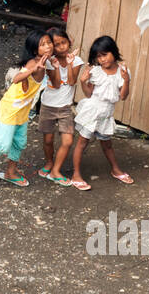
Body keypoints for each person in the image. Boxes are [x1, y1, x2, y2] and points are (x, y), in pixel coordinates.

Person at [0, 30, 53, 192]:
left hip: (22, 112)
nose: (48, 46)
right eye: (43, 44)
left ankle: (11, 171)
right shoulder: (33, 64)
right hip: (9, 110)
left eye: (49, 42)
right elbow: (16, 79)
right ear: (35, 50)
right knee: (1, 144)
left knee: (19, 142)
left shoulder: (47, 62)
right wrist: (32, 69)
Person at [70, 35, 133, 191]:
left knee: (107, 144)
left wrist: (126, 81)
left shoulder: (123, 72)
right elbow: (89, 94)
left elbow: (123, 96)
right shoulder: (96, 71)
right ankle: (76, 175)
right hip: (92, 111)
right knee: (82, 143)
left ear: (113, 52)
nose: (102, 59)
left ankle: (115, 170)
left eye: (105, 54)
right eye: (98, 57)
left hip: (106, 114)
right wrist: (83, 82)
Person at [40, 27, 83, 185]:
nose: (61, 47)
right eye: (57, 45)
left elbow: (72, 81)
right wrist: (56, 66)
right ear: (52, 47)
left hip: (65, 107)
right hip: (48, 105)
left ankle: (55, 171)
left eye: (63, 42)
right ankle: (49, 163)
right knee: (48, 139)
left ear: (69, 42)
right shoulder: (50, 63)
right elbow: (57, 84)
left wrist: (70, 64)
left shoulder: (77, 61)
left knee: (67, 141)